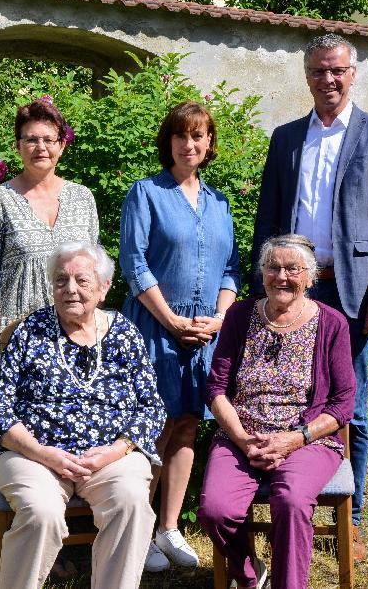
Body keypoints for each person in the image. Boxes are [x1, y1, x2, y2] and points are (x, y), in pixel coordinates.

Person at [250, 33, 368, 559]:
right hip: (289, 287)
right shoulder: (287, 137)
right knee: (283, 399)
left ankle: (352, 518)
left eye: (337, 70)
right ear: (307, 76)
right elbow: (268, 218)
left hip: (350, 291)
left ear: (352, 73)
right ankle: (293, 506)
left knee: (350, 406)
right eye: (319, 71)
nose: (329, 80)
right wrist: (260, 287)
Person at [0, 242, 166, 589]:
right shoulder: (30, 332)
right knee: (41, 513)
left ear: (103, 288)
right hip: (33, 455)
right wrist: (42, 453)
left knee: (132, 503)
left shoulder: (125, 334)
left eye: (82, 280)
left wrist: (115, 450)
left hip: (109, 456)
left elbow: (151, 407)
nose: (70, 289)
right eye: (60, 280)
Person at [120, 100, 240, 572]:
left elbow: (230, 269)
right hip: (155, 327)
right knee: (154, 428)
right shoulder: (146, 193)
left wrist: (219, 319)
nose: (189, 145)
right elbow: (134, 263)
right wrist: (171, 320)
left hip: (205, 333)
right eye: (180, 136)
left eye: (199, 136)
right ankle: (141, 531)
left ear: (209, 143)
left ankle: (170, 528)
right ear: (168, 142)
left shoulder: (219, 202)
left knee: (189, 423)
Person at [199, 234, 356, 589]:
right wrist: (241, 439)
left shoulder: (332, 324)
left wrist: (295, 439)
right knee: (215, 511)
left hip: (307, 438)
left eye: (292, 269)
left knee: (291, 502)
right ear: (262, 273)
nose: (281, 276)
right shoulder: (239, 316)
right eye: (273, 268)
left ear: (310, 277)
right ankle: (251, 574)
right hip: (242, 434)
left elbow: (344, 403)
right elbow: (216, 388)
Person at [0, 98, 99, 436]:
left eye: (49, 139)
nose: (41, 147)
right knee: (13, 444)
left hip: (72, 341)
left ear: (62, 145)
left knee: (72, 437)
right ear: (18, 146)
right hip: (13, 342)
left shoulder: (83, 199)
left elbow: (94, 278)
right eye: (31, 139)